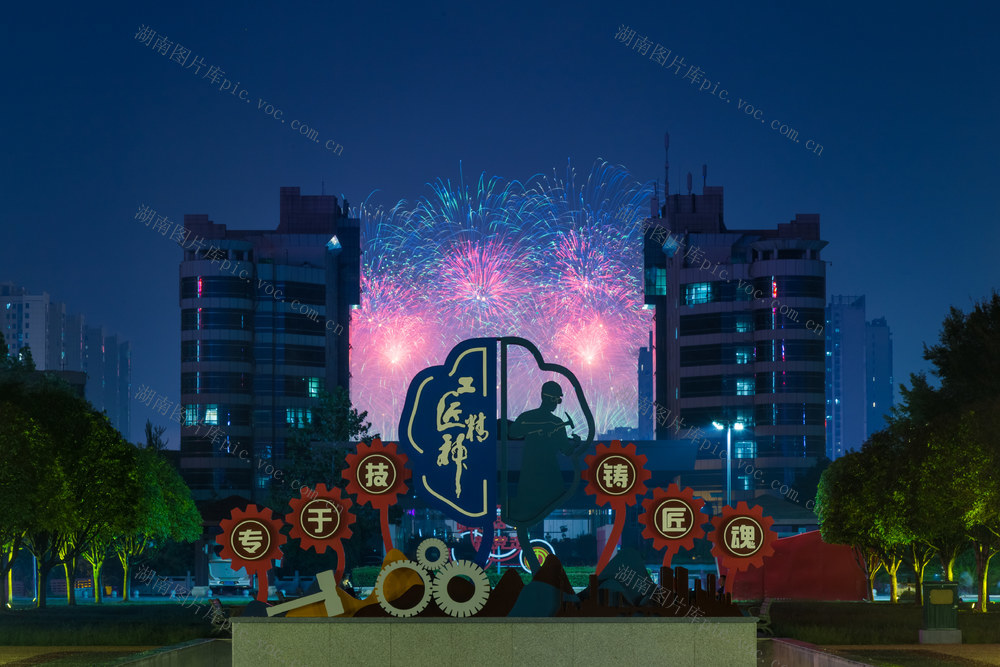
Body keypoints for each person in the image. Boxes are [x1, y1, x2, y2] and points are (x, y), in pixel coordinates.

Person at [506, 381, 583, 525]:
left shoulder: (555, 422)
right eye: (555, 399)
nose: (557, 403)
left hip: (542, 476)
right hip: (539, 477)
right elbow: (513, 432)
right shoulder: (530, 418)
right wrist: (540, 426)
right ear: (544, 397)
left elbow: (566, 449)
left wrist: (575, 443)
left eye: (559, 399)